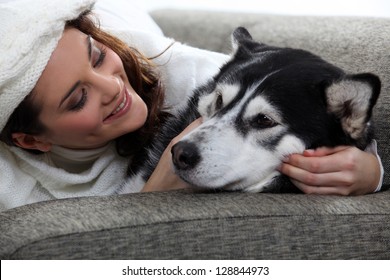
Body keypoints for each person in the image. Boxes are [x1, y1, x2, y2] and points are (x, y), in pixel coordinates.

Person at [0, 0, 383, 211]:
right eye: (78, 98)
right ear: (32, 141)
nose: (114, 86)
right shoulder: (10, 184)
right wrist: (152, 197)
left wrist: (373, 171)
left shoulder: (186, 73)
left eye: (98, 57)